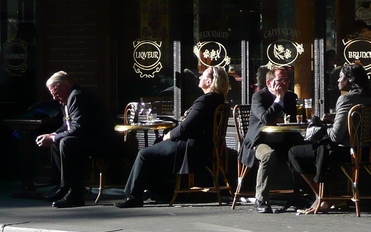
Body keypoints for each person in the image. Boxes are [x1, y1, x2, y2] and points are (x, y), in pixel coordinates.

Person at [116, 66, 229, 208]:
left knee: (144, 154)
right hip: (204, 146)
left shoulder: (205, 101)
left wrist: (169, 135)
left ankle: (134, 196)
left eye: (202, 76)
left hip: (191, 147)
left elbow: (185, 128)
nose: (199, 77)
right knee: (156, 147)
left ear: (209, 82)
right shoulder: (218, 100)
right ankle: (158, 191)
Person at [288, 62, 371, 211]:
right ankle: (332, 197)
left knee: (295, 152)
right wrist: (335, 121)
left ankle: (322, 196)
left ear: (350, 79)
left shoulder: (345, 99)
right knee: (320, 152)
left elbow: (336, 136)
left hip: (347, 152)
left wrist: (324, 127)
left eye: (341, 77)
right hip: (369, 151)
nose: (337, 80)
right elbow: (354, 123)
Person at [35, 71, 113, 208]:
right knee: (56, 143)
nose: (54, 97)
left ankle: (75, 194)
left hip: (102, 141)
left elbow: (78, 128)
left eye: (55, 92)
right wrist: (52, 135)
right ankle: (65, 187)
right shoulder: (67, 98)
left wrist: (53, 137)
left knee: (66, 142)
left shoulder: (77, 96)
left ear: (65, 87)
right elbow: (67, 125)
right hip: (87, 138)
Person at [240, 66, 298, 213]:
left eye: (286, 80)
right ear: (269, 83)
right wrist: (278, 100)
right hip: (260, 141)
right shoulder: (259, 97)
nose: (284, 83)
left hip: (283, 139)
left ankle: (301, 195)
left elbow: (291, 120)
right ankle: (261, 199)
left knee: (302, 151)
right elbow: (266, 119)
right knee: (268, 155)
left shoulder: (291, 97)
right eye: (280, 80)